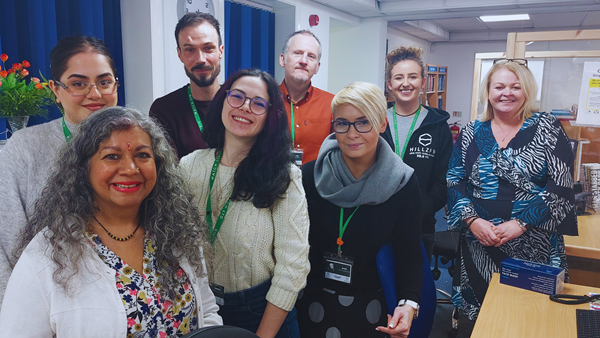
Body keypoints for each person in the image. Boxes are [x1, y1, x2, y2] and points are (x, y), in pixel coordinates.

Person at [0, 107, 222, 336]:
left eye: (142, 155)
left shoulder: (177, 233)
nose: (130, 168)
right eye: (112, 156)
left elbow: (206, 312)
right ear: (83, 168)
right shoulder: (47, 254)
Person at [180, 69, 310, 338]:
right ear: (223, 102)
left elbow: (292, 268)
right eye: (237, 97)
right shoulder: (190, 166)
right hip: (201, 305)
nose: (245, 108)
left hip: (262, 312)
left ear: (270, 116)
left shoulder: (284, 176)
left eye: (258, 103)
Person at [447, 59, 578, 322]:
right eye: (499, 87)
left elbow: (561, 184)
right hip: (479, 241)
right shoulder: (471, 131)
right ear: (488, 92)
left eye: (515, 87)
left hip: (534, 242)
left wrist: (521, 223)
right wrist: (472, 221)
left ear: (526, 92)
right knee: (481, 318)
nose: (506, 93)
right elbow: (453, 180)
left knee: (529, 317)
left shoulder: (548, 128)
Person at [0, 35, 119, 307]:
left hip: (129, 303)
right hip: (48, 306)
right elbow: (4, 245)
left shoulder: (137, 145)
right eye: (79, 83)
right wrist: (16, 317)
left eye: (104, 82)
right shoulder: (27, 148)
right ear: (56, 89)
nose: (95, 94)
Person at [298, 82, 423, 338]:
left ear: (382, 124)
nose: (352, 133)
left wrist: (408, 303)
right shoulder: (310, 176)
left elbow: (409, 252)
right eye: (342, 123)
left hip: (371, 302)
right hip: (312, 298)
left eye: (363, 122)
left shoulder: (403, 182)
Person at [381, 46, 453, 261]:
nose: (405, 83)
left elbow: (444, 180)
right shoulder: (376, 121)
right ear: (389, 85)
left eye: (412, 77)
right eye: (398, 78)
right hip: (377, 221)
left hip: (420, 225)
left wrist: (419, 211)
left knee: (414, 287)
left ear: (423, 82)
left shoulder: (438, 126)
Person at [150, 12, 224, 158]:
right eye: (190, 50)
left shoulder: (240, 103)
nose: (201, 59)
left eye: (208, 48)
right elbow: (167, 174)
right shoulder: (164, 110)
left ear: (220, 51)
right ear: (180, 54)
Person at [278, 30, 334, 165]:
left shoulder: (332, 104)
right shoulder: (265, 100)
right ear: (282, 59)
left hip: (315, 183)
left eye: (311, 56)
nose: (304, 61)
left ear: (317, 67)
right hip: (271, 182)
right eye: (297, 53)